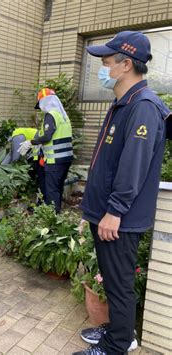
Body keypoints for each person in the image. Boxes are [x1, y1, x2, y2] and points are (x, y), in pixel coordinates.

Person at [75, 31, 170, 355]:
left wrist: (114, 211)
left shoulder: (143, 106)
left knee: (119, 286)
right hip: (107, 214)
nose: (101, 70)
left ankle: (116, 345)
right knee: (114, 281)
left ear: (125, 64)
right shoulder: (124, 103)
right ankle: (116, 331)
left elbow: (134, 167)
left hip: (119, 220)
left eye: (105, 63)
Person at [18, 88, 73, 212]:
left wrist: (30, 142)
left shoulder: (51, 115)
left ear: (45, 101)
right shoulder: (63, 116)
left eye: (40, 104)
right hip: (66, 159)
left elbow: (48, 136)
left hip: (55, 161)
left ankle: (51, 220)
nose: (41, 108)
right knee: (58, 188)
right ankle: (57, 215)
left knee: (51, 190)